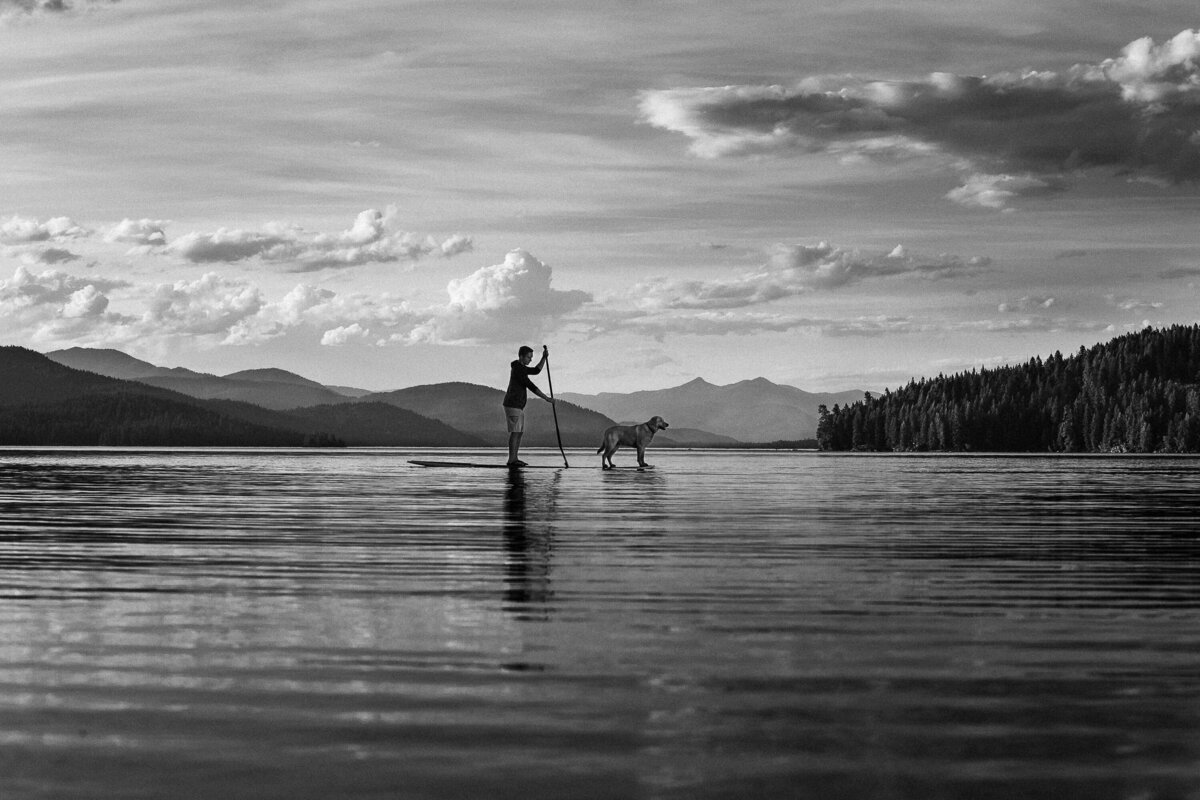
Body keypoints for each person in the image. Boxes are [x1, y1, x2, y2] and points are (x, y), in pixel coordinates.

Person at [503, 345, 552, 466]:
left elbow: (536, 370)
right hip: (512, 404)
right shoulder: (518, 369)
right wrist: (546, 398)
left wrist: (544, 358)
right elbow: (531, 386)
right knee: (516, 431)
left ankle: (514, 458)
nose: (530, 360)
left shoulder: (522, 368)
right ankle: (512, 460)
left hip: (517, 405)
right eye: (529, 357)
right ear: (521, 357)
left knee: (519, 432)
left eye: (531, 357)